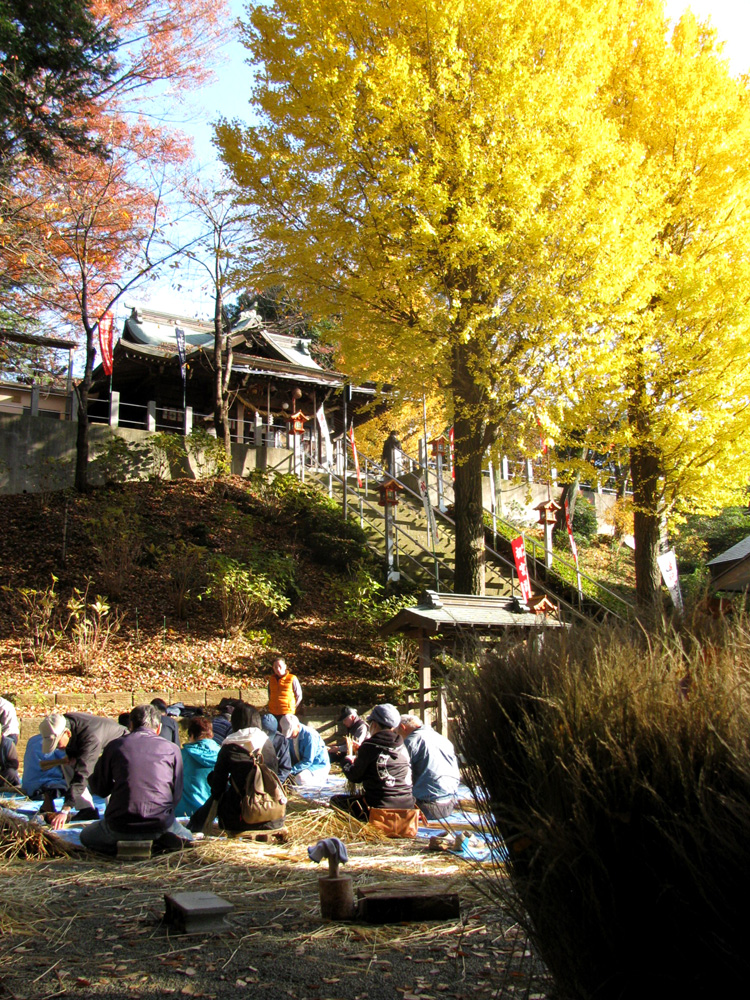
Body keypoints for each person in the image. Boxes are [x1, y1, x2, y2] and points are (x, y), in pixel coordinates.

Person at [80, 705, 191, 855]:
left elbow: (100, 789)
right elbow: (176, 794)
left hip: (120, 825)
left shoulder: (115, 746)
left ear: (130, 725)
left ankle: (119, 846)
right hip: (160, 824)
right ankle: (158, 844)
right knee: (188, 836)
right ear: (159, 728)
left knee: (86, 835)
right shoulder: (172, 749)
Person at [188, 704, 283, 833]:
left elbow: (218, 787)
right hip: (273, 815)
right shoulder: (268, 744)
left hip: (241, 819)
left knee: (221, 791)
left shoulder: (230, 746)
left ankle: (195, 826)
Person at [39, 711, 129, 829]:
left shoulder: (91, 738)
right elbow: (76, 745)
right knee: (68, 765)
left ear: (67, 733)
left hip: (120, 749)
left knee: (106, 773)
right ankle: (86, 809)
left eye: (57, 743)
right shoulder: (67, 722)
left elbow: (82, 774)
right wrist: (72, 756)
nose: (58, 747)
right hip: (98, 748)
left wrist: (65, 809)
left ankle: (114, 813)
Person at [331, 703, 413, 820]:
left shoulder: (370, 745)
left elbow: (354, 776)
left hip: (379, 809)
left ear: (374, 724)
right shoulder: (401, 745)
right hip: (407, 807)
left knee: (336, 801)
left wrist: (346, 760)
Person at [398, 714, 461, 820]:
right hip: (450, 803)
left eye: (397, 732)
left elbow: (399, 775)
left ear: (403, 727)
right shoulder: (442, 739)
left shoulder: (410, 742)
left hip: (427, 807)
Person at [177, 716, 221, 818]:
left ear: (191, 735)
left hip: (185, 814)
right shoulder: (222, 754)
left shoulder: (181, 755)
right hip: (213, 814)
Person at [278, 714, 330, 786]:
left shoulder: (310, 736)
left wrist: (290, 771)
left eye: (291, 732)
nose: (290, 736)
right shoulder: (289, 737)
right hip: (299, 766)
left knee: (300, 779)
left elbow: (308, 761)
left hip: (317, 766)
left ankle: (321, 778)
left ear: (298, 726)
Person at [21, 734, 67, 805]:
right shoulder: (56, 741)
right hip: (46, 785)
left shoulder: (32, 740)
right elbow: (69, 761)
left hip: (28, 787)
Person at [261, 712, 292, 784]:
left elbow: (285, 768)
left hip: (274, 779)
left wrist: (275, 783)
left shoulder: (281, 741)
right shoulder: (252, 739)